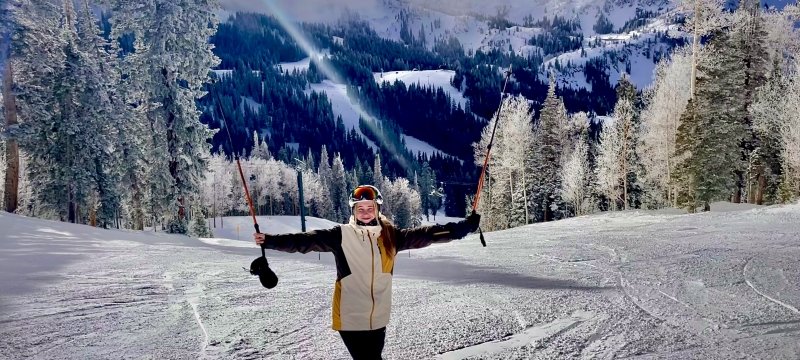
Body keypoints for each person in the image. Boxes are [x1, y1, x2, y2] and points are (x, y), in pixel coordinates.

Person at [254, 184, 481, 360]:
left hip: (379, 317)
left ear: (377, 209)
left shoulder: (391, 236)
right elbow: (304, 242)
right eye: (360, 209)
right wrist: (271, 241)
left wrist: (462, 229)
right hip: (351, 317)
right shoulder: (341, 235)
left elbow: (428, 234)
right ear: (353, 210)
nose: (365, 212)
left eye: (369, 208)